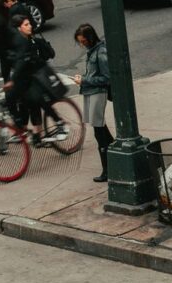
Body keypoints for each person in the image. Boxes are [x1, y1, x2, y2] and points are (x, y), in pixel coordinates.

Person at [4, 14, 64, 146]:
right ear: (18, 29)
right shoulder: (18, 43)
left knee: (35, 104)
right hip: (26, 80)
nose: (30, 26)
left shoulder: (31, 43)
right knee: (24, 105)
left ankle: (39, 134)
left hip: (38, 79)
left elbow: (29, 62)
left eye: (29, 24)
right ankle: (28, 133)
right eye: (26, 25)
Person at [73, 24, 113, 183]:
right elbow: (94, 73)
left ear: (90, 38)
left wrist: (85, 80)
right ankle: (111, 161)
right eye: (80, 42)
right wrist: (83, 79)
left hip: (98, 92)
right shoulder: (93, 51)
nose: (82, 44)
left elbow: (106, 78)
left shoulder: (100, 52)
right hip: (90, 91)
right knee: (100, 130)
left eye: (83, 41)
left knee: (99, 131)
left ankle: (107, 170)